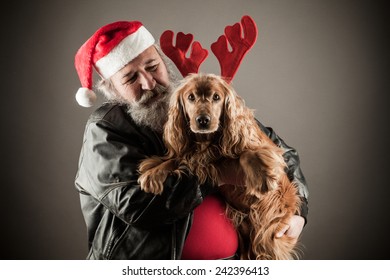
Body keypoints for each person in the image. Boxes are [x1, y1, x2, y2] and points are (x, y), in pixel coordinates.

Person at [74, 20, 309, 260]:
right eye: (130, 78)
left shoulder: (193, 102)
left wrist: (299, 213)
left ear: (165, 64)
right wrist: (217, 172)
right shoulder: (105, 129)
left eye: (153, 66)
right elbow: (137, 206)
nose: (149, 83)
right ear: (112, 89)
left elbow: (280, 151)